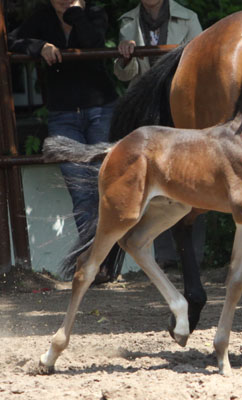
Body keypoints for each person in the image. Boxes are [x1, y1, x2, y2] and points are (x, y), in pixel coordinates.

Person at [8, 0, 119, 282]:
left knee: (106, 185)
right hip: (63, 115)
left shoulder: (93, 13)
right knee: (80, 189)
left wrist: (75, 14)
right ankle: (95, 262)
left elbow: (93, 42)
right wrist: (39, 47)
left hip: (100, 110)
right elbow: (11, 40)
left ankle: (107, 258)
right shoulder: (42, 17)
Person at [113, 0, 203, 269]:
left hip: (180, 107)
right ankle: (164, 256)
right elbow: (123, 74)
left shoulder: (189, 18)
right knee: (155, 182)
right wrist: (125, 56)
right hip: (147, 112)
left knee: (193, 178)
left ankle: (195, 255)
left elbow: (200, 65)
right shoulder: (127, 21)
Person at [114, 0, 202, 88]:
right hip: (142, 98)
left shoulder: (189, 18)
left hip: (178, 95)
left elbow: (201, 67)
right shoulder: (128, 21)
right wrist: (127, 58)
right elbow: (124, 76)